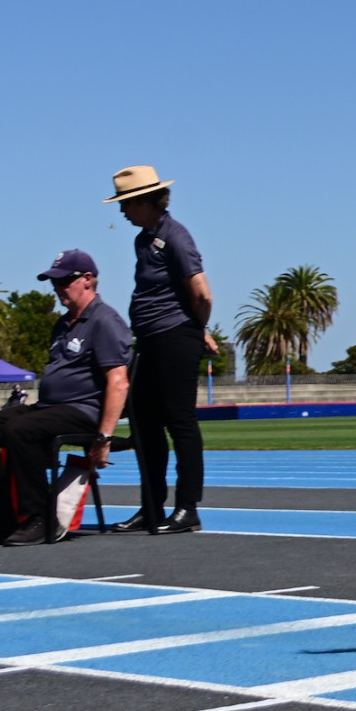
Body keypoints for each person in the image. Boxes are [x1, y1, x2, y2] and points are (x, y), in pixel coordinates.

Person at [0, 250, 130, 547]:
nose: (57, 287)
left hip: (83, 411)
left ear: (87, 280)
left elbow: (118, 382)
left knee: (22, 429)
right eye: (54, 282)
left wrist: (104, 438)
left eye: (64, 281)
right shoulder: (62, 324)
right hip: (49, 409)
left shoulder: (105, 321)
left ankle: (40, 518)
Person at [105, 165, 215, 535]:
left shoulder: (175, 236)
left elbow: (201, 293)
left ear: (146, 201)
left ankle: (188, 507)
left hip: (175, 336)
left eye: (126, 204)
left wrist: (197, 330)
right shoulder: (144, 240)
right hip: (150, 339)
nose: (122, 211)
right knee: (144, 422)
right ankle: (151, 506)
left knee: (179, 421)